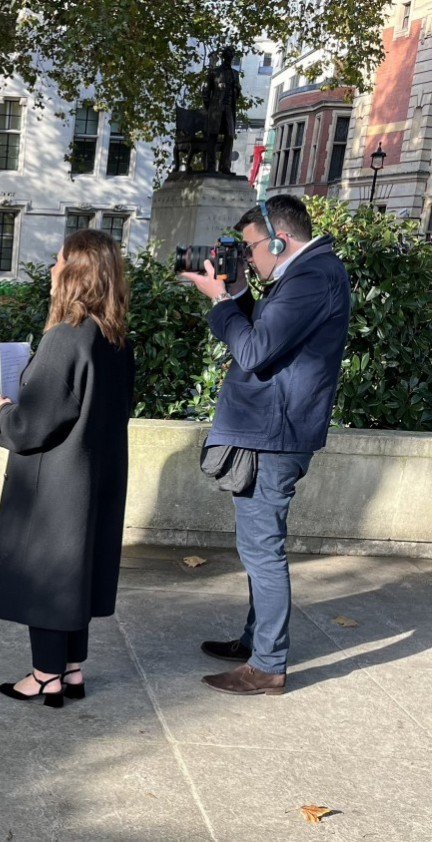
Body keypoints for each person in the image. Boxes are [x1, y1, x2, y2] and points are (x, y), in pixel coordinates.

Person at [180, 194, 350, 695]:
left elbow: (254, 350)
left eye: (251, 247)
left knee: (262, 550)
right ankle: (256, 642)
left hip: (274, 435)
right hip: (272, 429)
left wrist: (221, 300)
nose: (248, 258)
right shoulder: (304, 274)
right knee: (259, 548)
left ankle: (268, 665)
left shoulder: (313, 276)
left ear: (281, 239)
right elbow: (272, 335)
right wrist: (239, 297)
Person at [0, 229, 135, 708]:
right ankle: (70, 669)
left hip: (58, 484)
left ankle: (45, 674)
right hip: (96, 476)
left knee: (49, 574)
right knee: (77, 571)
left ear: (76, 271)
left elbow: (30, 426)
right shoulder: (115, 338)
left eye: (58, 261)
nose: (51, 269)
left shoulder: (65, 337)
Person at [203, 46, 241, 175]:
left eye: (232, 54)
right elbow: (206, 92)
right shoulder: (214, 72)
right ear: (224, 56)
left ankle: (225, 166)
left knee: (229, 136)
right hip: (216, 109)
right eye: (228, 53)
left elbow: (238, 92)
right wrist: (210, 109)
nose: (230, 56)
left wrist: (236, 89)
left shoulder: (235, 74)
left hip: (229, 108)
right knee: (212, 135)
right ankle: (210, 166)